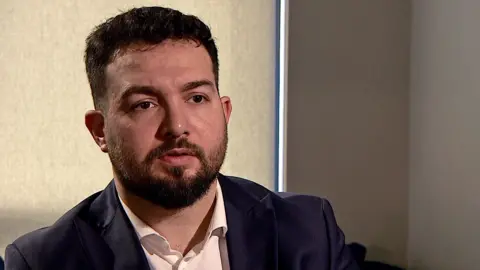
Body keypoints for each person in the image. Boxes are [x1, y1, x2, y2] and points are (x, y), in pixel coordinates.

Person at [5, 6, 359, 270]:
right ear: (100, 131)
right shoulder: (44, 260)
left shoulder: (308, 231)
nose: (177, 126)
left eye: (196, 98)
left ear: (225, 112)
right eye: (144, 104)